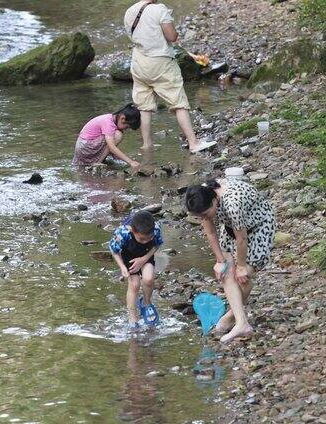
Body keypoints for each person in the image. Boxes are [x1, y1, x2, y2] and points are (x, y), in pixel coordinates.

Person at [184, 179, 275, 343]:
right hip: (230, 226)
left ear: (214, 201)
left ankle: (234, 319)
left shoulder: (232, 204)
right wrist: (220, 261)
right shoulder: (203, 198)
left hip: (257, 226)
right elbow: (211, 233)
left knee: (243, 276)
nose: (203, 218)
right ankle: (241, 322)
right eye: (199, 217)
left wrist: (241, 266)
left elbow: (242, 239)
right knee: (226, 272)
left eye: (205, 215)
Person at [123, 0, 216, 153]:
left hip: (138, 62)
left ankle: (147, 145)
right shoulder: (159, 9)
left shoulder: (129, 11)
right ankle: (193, 143)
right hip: (160, 61)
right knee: (178, 102)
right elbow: (172, 36)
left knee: (144, 106)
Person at [109, 210, 164, 331]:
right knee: (134, 284)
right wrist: (122, 267)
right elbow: (114, 250)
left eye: (148, 238)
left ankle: (146, 303)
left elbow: (157, 245)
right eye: (142, 239)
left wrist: (144, 259)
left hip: (146, 255)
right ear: (133, 231)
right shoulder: (122, 233)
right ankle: (132, 317)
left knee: (149, 279)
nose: (145, 241)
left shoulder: (155, 229)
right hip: (129, 257)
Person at [72, 103, 141, 167]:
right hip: (86, 147)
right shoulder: (108, 123)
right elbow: (112, 147)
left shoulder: (109, 118)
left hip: (83, 147)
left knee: (115, 136)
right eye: (127, 127)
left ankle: (98, 160)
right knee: (118, 134)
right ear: (122, 118)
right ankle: (98, 162)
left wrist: (114, 153)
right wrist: (130, 162)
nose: (125, 129)